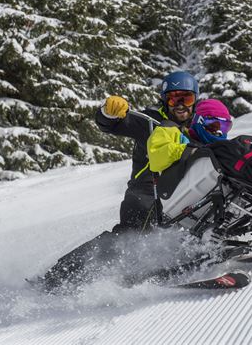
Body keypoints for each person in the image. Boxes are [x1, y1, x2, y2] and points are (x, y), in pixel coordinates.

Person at [42, 71, 201, 291]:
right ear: (165, 99)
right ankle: (58, 278)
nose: (181, 105)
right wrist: (108, 113)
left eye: (187, 98)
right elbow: (114, 124)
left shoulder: (196, 131)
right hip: (145, 195)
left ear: (196, 100)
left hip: (176, 197)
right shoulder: (151, 122)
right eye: (175, 98)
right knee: (124, 241)